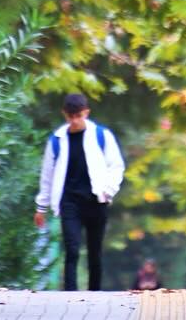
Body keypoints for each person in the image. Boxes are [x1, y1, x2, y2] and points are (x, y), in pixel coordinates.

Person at [34, 93, 126, 291]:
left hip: (96, 200)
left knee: (95, 252)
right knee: (72, 249)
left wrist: (108, 191)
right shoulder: (57, 140)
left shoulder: (101, 136)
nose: (75, 121)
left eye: (79, 116)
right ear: (65, 115)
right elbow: (47, 176)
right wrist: (41, 207)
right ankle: (70, 296)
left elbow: (116, 166)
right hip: (69, 201)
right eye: (70, 116)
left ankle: (94, 294)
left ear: (86, 113)